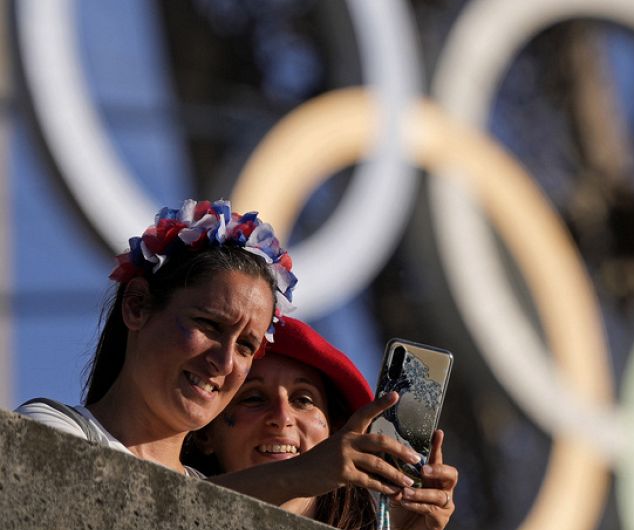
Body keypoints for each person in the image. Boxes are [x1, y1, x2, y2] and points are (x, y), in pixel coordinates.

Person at [15, 199, 416, 507]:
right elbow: (121, 519)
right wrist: (296, 475)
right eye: (209, 326)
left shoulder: (218, 494)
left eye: (246, 346)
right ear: (136, 306)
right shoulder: (50, 429)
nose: (224, 363)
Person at [186, 316, 458, 530]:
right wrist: (298, 475)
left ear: (336, 429)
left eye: (303, 400)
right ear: (205, 433)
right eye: (253, 398)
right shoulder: (169, 494)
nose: (282, 418)